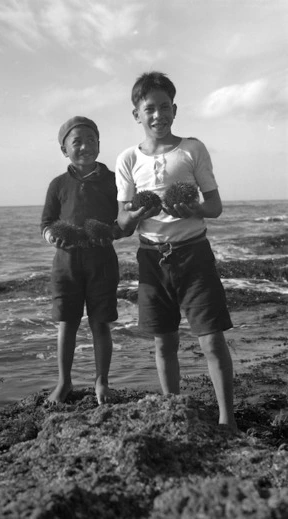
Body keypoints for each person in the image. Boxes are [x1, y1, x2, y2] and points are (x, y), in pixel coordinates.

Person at [115, 72, 237, 430]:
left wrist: (192, 209)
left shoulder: (192, 149)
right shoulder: (127, 159)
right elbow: (123, 224)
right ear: (136, 114)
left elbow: (213, 206)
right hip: (152, 259)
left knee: (212, 340)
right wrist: (138, 213)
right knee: (164, 342)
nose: (158, 115)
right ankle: (172, 414)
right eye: (149, 108)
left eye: (164, 107)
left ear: (175, 109)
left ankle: (227, 420)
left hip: (194, 254)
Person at [41, 116, 126, 405]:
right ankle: (64, 381)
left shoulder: (114, 180)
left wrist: (112, 232)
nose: (85, 146)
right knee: (67, 322)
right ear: (64, 150)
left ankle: (102, 381)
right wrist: (53, 236)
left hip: (102, 261)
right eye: (77, 141)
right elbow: (47, 223)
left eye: (91, 140)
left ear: (99, 145)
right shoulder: (58, 185)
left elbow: (122, 221)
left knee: (101, 323)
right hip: (66, 265)